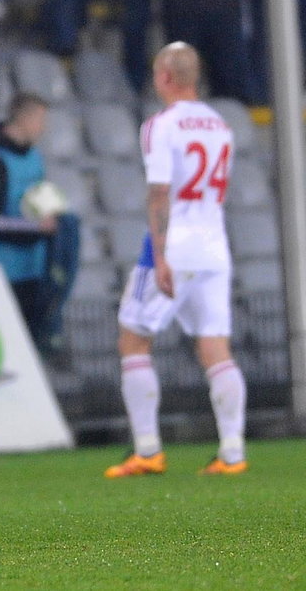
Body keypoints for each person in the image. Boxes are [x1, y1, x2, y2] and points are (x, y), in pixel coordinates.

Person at [105, 42, 248, 478]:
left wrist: (160, 256)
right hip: (214, 246)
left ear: (164, 77)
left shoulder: (161, 125)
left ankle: (148, 449)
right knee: (215, 347)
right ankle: (232, 453)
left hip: (176, 245)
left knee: (133, 339)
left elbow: (160, 192)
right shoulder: (221, 124)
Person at [0, 93, 57, 351]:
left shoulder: (35, 157)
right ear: (23, 118)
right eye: (39, 121)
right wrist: (35, 229)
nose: (43, 129)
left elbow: (44, 204)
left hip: (34, 268)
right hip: (3, 272)